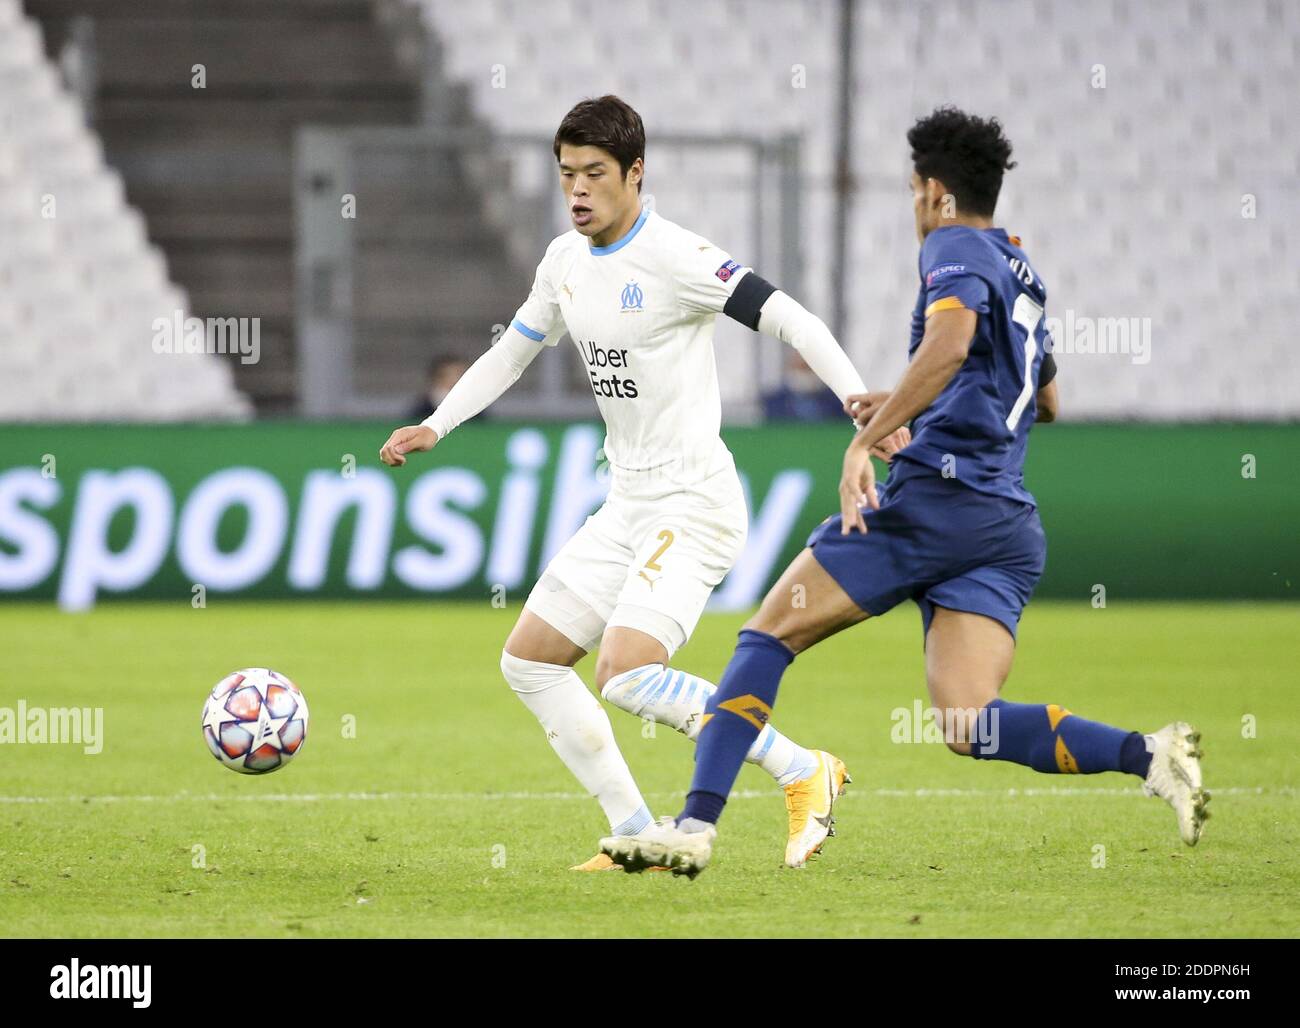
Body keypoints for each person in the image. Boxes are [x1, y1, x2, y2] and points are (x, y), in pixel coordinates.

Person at [601, 106, 1208, 877]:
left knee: (764, 639)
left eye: (913, 189)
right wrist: (906, 407)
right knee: (967, 721)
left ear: (933, 192)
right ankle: (1151, 756)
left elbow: (951, 345)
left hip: (930, 509)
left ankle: (693, 825)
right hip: (1003, 524)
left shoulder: (951, 246)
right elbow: (1043, 400)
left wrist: (868, 437)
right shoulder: (1021, 268)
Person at [378, 95, 908, 869]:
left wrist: (861, 410)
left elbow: (795, 320)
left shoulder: (679, 259)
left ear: (635, 174)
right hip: (627, 502)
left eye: (594, 173)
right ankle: (633, 831)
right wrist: (439, 424)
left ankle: (803, 769)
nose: (578, 191)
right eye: (567, 175)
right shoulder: (563, 263)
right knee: (527, 660)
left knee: (624, 674)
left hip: (692, 502)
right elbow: (512, 354)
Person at [406, 355, 472, 423]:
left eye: (462, 375)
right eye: (451, 375)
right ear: (437, 378)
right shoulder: (420, 411)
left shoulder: (473, 411)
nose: (457, 380)